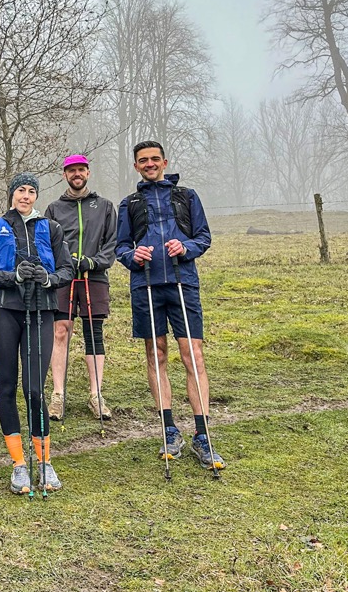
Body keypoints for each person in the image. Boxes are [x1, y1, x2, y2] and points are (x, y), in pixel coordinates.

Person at [116, 141, 223, 470]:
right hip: (146, 284)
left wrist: (186, 247)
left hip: (183, 282)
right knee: (156, 354)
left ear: (164, 162)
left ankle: (203, 436)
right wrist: (133, 255)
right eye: (143, 161)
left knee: (193, 354)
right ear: (136, 166)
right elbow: (121, 247)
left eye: (154, 159)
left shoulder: (187, 196)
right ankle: (169, 431)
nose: (149, 164)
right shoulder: (129, 203)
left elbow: (203, 237)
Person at [0, 173, 75, 495]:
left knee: (34, 389)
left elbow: (67, 269)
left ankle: (44, 461)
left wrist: (48, 279)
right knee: (7, 387)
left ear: (36, 195)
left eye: (31, 191)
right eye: (20, 190)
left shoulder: (51, 227)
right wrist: (15, 276)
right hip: (4, 312)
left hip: (41, 311)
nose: (25, 195)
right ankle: (18, 464)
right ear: (11, 194)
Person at [43, 155, 117, 422]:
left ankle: (96, 394)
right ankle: (58, 394)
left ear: (88, 172)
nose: (77, 174)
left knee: (93, 333)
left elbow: (112, 242)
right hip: (64, 278)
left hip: (94, 276)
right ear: (65, 175)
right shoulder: (54, 208)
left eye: (81, 170)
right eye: (72, 170)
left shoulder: (104, 206)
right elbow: (46, 244)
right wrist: (63, 264)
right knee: (60, 331)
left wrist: (93, 262)